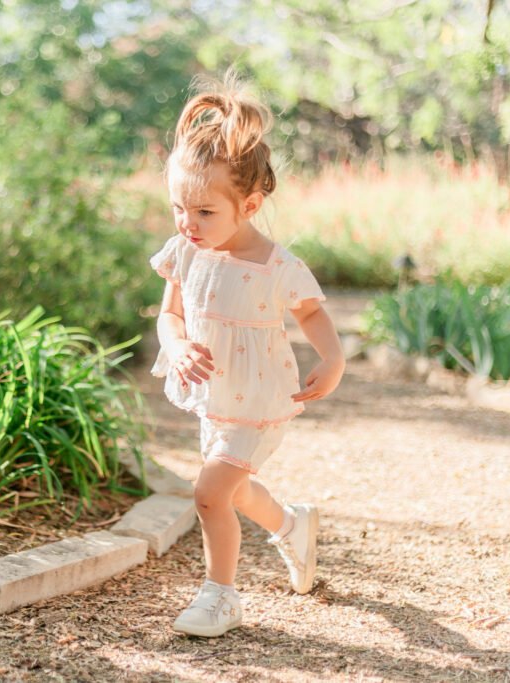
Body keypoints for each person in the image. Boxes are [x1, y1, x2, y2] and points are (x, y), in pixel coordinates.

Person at [149, 71, 346, 638]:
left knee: (210, 492)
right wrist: (176, 342)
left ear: (250, 203)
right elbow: (170, 313)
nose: (188, 224)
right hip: (215, 397)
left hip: (259, 398)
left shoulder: (275, 265)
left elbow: (310, 312)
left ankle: (221, 596)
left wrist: (332, 361)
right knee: (234, 489)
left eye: (205, 212)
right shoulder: (185, 250)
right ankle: (292, 525)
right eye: (178, 208)